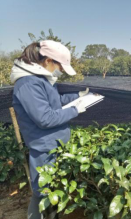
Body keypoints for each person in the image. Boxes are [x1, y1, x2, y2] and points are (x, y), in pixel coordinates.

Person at [10, 40, 89, 219]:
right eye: (59, 66)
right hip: (44, 147)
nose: (59, 71)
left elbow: (55, 102)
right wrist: (75, 110)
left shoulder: (40, 79)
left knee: (51, 190)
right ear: (47, 60)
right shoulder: (28, 84)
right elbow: (45, 118)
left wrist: (78, 97)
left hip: (53, 144)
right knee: (43, 192)